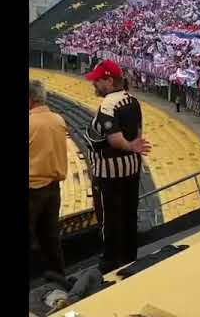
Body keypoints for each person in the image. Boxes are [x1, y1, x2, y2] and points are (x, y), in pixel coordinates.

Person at [83, 60, 152, 274]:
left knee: (110, 216)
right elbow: (138, 134)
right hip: (131, 168)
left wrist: (128, 145)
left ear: (109, 81)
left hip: (109, 172)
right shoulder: (133, 100)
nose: (94, 85)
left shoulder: (108, 104)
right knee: (129, 213)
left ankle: (110, 260)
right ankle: (130, 256)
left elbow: (114, 139)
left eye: (98, 81)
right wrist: (133, 148)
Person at [29, 79, 67, 276]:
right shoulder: (58, 120)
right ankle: (59, 277)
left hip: (33, 189)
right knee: (51, 237)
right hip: (53, 188)